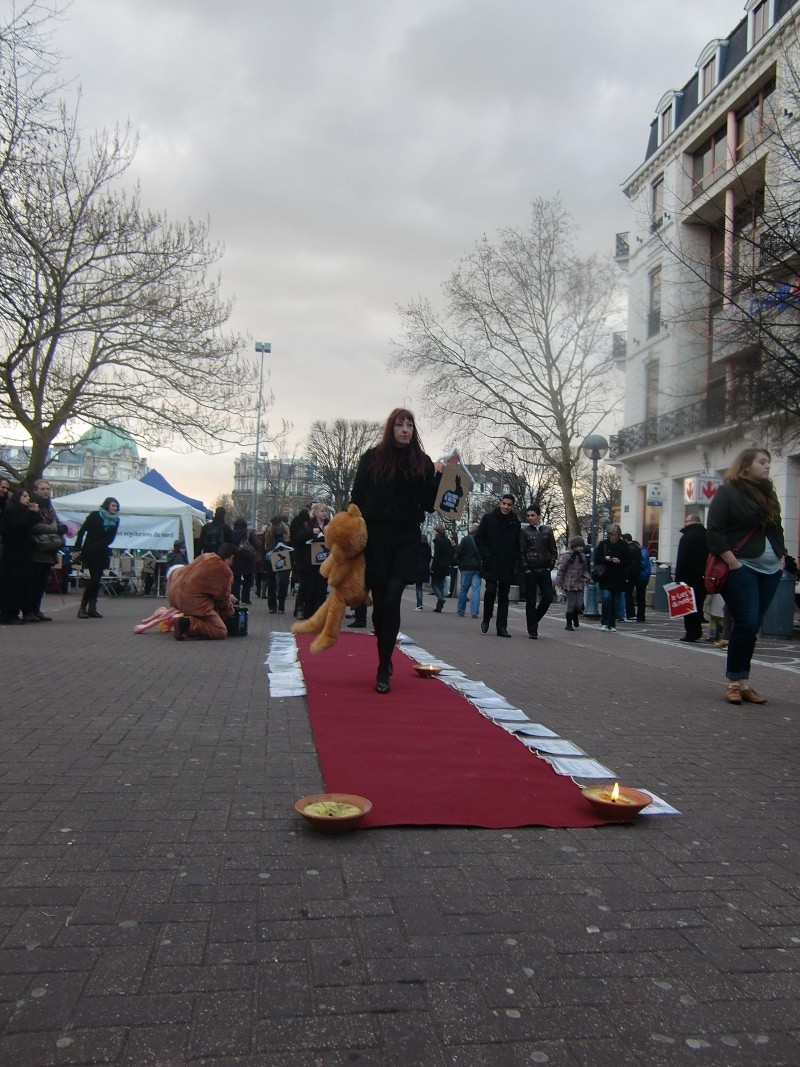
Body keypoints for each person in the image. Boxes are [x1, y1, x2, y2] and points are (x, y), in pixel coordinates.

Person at [351, 407, 441, 693]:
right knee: (380, 601)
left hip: (406, 537)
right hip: (377, 537)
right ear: (391, 429)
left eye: (410, 426)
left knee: (392, 595)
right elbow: (357, 496)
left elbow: (429, 503)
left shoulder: (421, 462)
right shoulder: (372, 458)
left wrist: (440, 475)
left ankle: (383, 666)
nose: (405, 430)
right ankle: (384, 652)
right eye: (400, 425)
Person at [707, 447, 786, 705]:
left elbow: (776, 528)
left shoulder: (769, 493)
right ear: (746, 465)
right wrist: (733, 562)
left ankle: (744, 682)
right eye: (762, 462)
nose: (767, 466)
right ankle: (732, 681)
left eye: (768, 462)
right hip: (743, 567)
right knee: (747, 623)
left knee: (752, 628)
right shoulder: (728, 492)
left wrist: (782, 556)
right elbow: (715, 531)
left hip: (771, 569)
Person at [475, 494, 522, 637]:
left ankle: (501, 626)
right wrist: (486, 554)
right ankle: (486, 617)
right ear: (500, 503)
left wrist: (515, 560)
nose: (506, 507)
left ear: (513, 506)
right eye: (504, 504)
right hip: (491, 562)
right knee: (490, 590)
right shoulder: (488, 518)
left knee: (504, 596)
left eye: (509, 505)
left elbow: (516, 544)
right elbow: (479, 538)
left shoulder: (515, 522)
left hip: (506, 564)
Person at [170, 543, 237, 640]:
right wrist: (231, 608)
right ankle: (186, 624)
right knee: (220, 630)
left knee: (209, 609)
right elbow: (223, 601)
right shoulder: (225, 571)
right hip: (191, 601)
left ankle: (186, 623)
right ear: (231, 557)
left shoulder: (206, 556)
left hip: (175, 594)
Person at [73, 497, 120, 619]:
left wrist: (101, 545)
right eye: (113, 505)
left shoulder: (116, 520)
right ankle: (83, 607)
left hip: (102, 552)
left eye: (116, 506)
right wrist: (77, 547)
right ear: (107, 505)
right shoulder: (95, 515)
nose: (115, 508)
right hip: (90, 551)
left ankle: (92, 607)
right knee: (94, 580)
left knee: (97, 580)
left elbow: (111, 538)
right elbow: (82, 531)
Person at [28, 478, 67, 622]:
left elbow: (55, 521)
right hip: (37, 548)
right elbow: (35, 526)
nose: (46, 492)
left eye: (47, 489)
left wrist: (60, 528)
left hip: (48, 550)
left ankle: (36, 609)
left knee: (42, 582)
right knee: (34, 581)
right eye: (42, 489)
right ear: (36, 490)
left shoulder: (49, 506)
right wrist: (56, 529)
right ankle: (29, 610)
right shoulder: (33, 505)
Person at [0, 488, 41, 624]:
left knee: (22, 583)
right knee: (12, 584)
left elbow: (34, 522)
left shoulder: (23, 511)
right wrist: (31, 513)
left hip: (23, 552)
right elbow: (19, 525)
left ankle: (17, 611)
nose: (28, 498)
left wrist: (34, 512)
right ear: (18, 497)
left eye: (28, 496)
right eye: (24, 496)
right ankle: (8, 614)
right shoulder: (11, 510)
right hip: (13, 553)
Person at [519, 503, 558, 639]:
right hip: (531, 570)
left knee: (547, 597)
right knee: (530, 600)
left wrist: (550, 566)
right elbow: (522, 551)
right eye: (528, 515)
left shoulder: (548, 531)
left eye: (532, 515)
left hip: (544, 570)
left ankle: (534, 619)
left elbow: (553, 550)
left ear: (539, 516)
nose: (530, 518)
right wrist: (526, 569)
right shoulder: (525, 531)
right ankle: (532, 630)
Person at [674, 514, 708, 643]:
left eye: (686, 521)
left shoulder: (687, 537)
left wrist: (678, 578)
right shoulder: (707, 536)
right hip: (704, 577)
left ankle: (691, 633)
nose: (685, 523)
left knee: (688, 607)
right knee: (699, 604)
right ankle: (698, 630)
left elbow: (681, 559)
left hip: (688, 577)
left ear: (693, 521)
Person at [595, 524, 629, 632]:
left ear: (619, 535)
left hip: (618, 576)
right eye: (612, 535)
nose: (613, 537)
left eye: (616, 535)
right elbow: (597, 558)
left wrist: (620, 561)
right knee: (606, 598)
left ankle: (612, 623)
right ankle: (604, 622)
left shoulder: (624, 545)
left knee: (614, 601)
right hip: (606, 576)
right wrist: (605, 558)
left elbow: (628, 561)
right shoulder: (603, 544)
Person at [555, 536, 590, 631]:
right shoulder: (567, 556)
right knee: (571, 603)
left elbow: (585, 569)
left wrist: (586, 577)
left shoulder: (582, 556)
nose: (581, 548)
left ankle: (575, 615)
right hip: (569, 583)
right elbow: (561, 570)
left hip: (579, 583)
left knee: (579, 604)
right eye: (579, 546)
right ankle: (569, 623)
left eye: (582, 546)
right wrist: (558, 583)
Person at [302, 502, 331, 619]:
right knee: (312, 586)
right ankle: (309, 612)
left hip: (325, 560)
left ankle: (321, 614)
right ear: (316, 513)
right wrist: (311, 533)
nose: (324, 513)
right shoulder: (309, 524)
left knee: (323, 588)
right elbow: (299, 538)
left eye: (325, 511)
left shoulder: (330, 524)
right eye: (322, 511)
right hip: (312, 560)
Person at [262, 514, 291, 612]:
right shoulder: (268, 531)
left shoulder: (286, 529)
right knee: (271, 583)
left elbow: (290, 543)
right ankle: (272, 606)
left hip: (284, 556)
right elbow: (265, 546)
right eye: (275, 526)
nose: (277, 527)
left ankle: (281, 605)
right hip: (271, 556)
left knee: (283, 582)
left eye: (278, 525)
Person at [455, 522, 482, 619]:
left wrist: (460, 565)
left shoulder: (465, 539)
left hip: (466, 568)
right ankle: (474, 612)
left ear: (471, 530)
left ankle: (461, 610)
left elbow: (457, 553)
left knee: (463, 590)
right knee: (476, 590)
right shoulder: (482, 540)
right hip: (478, 568)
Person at [230, 517, 259, 604]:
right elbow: (256, 545)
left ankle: (236, 599)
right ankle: (246, 598)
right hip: (247, 559)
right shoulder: (249, 533)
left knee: (236, 580)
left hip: (235, 560)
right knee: (248, 580)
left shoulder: (231, 533)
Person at [430, 524, 453, 613]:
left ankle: (441, 598)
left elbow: (436, 555)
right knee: (440, 584)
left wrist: (432, 567)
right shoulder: (447, 540)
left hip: (438, 566)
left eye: (434, 530)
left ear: (437, 531)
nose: (433, 532)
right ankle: (438, 607)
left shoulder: (437, 540)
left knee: (434, 584)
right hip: (445, 566)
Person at [414, 532, 432, 610]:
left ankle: (419, 604)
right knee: (420, 586)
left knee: (418, 587)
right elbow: (429, 558)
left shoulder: (417, 547)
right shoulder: (428, 547)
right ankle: (419, 604)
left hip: (418, 568)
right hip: (425, 569)